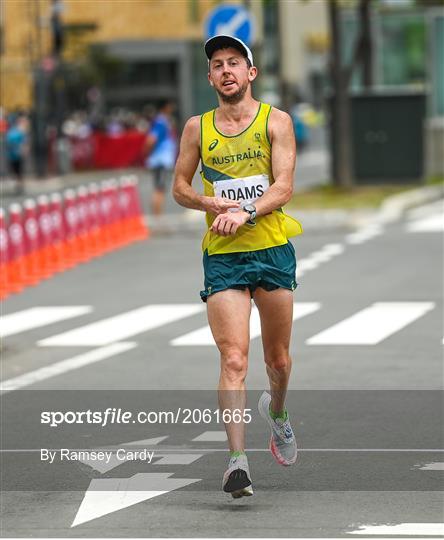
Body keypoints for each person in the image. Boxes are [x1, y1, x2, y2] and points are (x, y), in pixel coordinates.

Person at [173, 35, 303, 498]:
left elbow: (284, 187)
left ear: (251, 74)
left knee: (278, 360)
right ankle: (236, 462)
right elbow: (180, 189)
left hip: (271, 247)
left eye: (234, 63)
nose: (226, 70)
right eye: (217, 64)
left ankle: (280, 414)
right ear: (209, 77)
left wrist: (246, 212)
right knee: (233, 358)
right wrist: (210, 200)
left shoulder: (277, 121)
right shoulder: (197, 128)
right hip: (224, 255)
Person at [145, 100, 177, 216]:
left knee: (159, 188)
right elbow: (150, 140)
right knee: (160, 189)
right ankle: (157, 217)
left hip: (160, 160)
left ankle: (157, 215)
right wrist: (147, 153)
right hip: (161, 160)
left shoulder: (163, 121)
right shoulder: (161, 122)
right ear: (165, 107)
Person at [6, 114, 28, 195]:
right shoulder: (15, 132)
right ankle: (18, 185)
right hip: (13, 155)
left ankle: (19, 186)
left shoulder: (17, 132)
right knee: (16, 171)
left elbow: (24, 143)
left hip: (16, 155)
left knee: (18, 171)